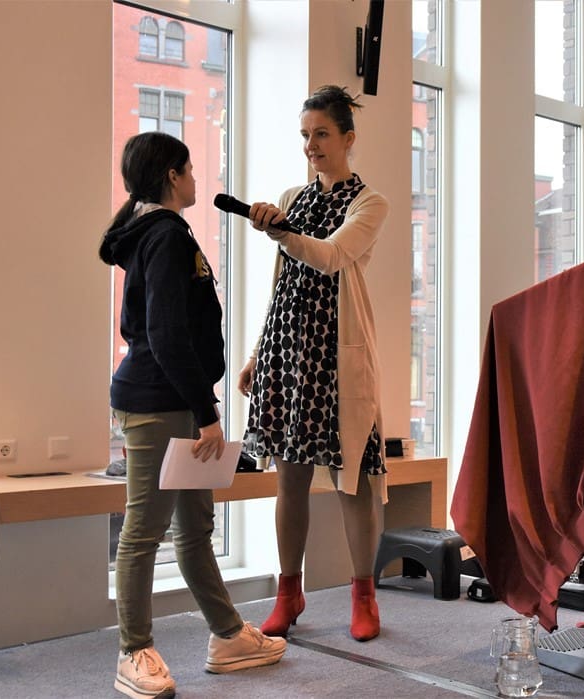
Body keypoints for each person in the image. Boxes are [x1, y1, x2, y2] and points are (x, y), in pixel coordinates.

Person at [99, 131, 286, 699]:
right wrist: (207, 414)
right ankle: (134, 652)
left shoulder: (163, 232)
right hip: (158, 405)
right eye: (190, 169)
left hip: (178, 401)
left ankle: (228, 637)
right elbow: (165, 334)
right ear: (172, 177)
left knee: (196, 528)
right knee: (143, 532)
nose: (197, 178)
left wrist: (200, 406)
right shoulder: (164, 236)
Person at [239, 85, 390, 642]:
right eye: (305, 135)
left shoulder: (369, 203)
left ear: (348, 138)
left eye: (321, 134)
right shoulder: (292, 196)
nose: (311, 145)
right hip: (286, 350)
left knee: (353, 483)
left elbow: (329, 257)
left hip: (336, 356)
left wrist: (280, 230)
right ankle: (289, 593)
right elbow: (282, 285)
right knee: (290, 481)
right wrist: (258, 351)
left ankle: (364, 596)